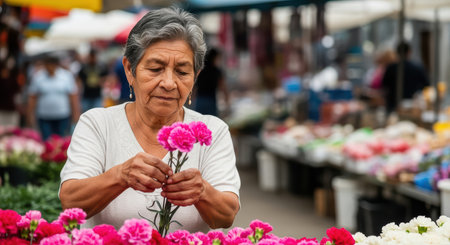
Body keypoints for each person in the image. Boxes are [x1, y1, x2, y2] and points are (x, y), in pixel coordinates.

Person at [59, 7, 241, 233]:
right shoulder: (97, 124)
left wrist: (202, 191)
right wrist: (120, 175)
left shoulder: (213, 131)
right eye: (155, 68)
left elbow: (226, 216)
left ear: (196, 77)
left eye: (182, 72)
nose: (168, 83)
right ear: (129, 70)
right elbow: (70, 200)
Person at [27, 55, 80, 140]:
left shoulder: (66, 76)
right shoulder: (38, 77)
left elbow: (73, 97)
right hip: (44, 117)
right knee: (46, 140)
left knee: (61, 140)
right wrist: (29, 114)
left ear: (56, 65)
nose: (50, 68)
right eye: (48, 65)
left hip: (62, 116)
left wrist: (76, 115)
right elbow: (33, 97)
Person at [381, 42, 429, 114]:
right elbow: (426, 85)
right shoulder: (418, 68)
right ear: (409, 52)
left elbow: (384, 85)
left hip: (393, 106)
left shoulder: (391, 68)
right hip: (413, 107)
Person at [194, 48, 229, 117]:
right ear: (214, 58)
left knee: (197, 123)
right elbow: (222, 87)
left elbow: (195, 87)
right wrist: (227, 101)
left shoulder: (201, 70)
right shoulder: (216, 71)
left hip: (199, 101)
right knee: (211, 125)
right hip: (210, 101)